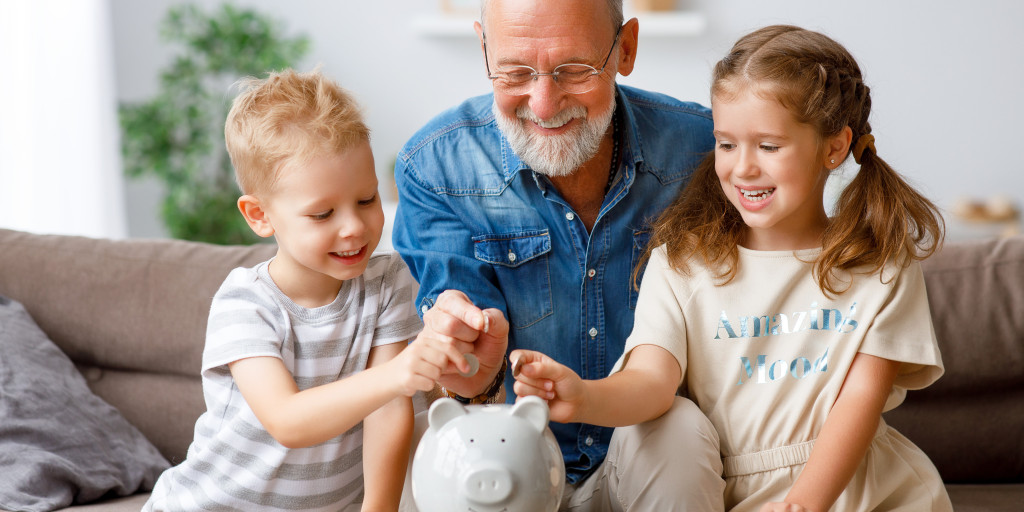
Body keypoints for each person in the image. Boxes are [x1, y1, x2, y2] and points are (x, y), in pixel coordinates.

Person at [514, 25, 954, 512]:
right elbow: (653, 382)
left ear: (833, 147)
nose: (742, 168)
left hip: (855, 489)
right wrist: (584, 396)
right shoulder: (683, 263)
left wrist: (802, 505)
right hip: (721, 488)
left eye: (768, 146)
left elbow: (859, 404)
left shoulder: (880, 267)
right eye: (727, 144)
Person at [392, 0, 724, 510]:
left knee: (677, 426)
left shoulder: (706, 153)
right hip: (511, 460)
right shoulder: (434, 169)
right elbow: (470, 378)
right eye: (515, 72)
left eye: (574, 70)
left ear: (626, 49)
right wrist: (472, 369)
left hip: (645, 450)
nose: (543, 105)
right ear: (484, 50)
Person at [144, 68, 470, 512]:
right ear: (259, 215)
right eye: (322, 214)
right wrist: (396, 376)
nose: (354, 227)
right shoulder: (245, 302)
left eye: (367, 200)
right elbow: (287, 421)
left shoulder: (387, 283)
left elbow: (387, 410)